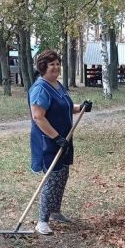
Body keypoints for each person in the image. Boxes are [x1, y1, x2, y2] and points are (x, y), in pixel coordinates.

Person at [29, 49, 92, 235]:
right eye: (51, 64)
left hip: (64, 138)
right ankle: (42, 221)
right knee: (52, 178)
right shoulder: (40, 88)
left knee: (62, 175)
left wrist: (81, 107)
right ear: (43, 67)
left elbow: (65, 107)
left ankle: (55, 212)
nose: (56, 67)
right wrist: (56, 137)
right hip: (48, 140)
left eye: (57, 63)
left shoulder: (57, 84)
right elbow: (38, 117)